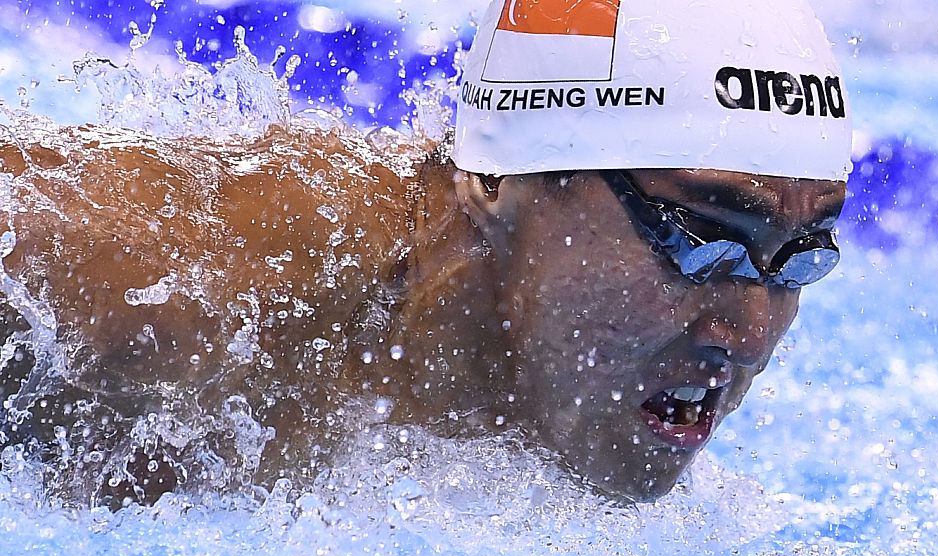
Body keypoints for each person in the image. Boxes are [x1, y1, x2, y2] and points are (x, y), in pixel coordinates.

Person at [0, 0, 852, 505]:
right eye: (698, 239)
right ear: (494, 182)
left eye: (801, 253)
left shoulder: (578, 374)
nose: (746, 334)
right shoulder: (184, 296)